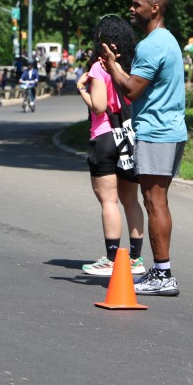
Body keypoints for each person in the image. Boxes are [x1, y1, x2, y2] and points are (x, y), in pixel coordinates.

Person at [100, 0, 187, 296]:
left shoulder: (152, 45)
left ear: (155, 8)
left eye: (137, 5)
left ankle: (162, 274)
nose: (132, 9)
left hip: (156, 132)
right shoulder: (167, 40)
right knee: (156, 200)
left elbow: (132, 90)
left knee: (154, 201)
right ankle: (161, 271)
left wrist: (112, 66)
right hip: (168, 130)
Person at [77, 16, 146, 278]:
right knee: (131, 200)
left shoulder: (99, 67)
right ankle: (136, 258)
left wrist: (81, 89)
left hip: (105, 136)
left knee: (109, 200)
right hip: (128, 136)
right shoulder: (131, 67)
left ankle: (112, 258)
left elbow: (99, 106)